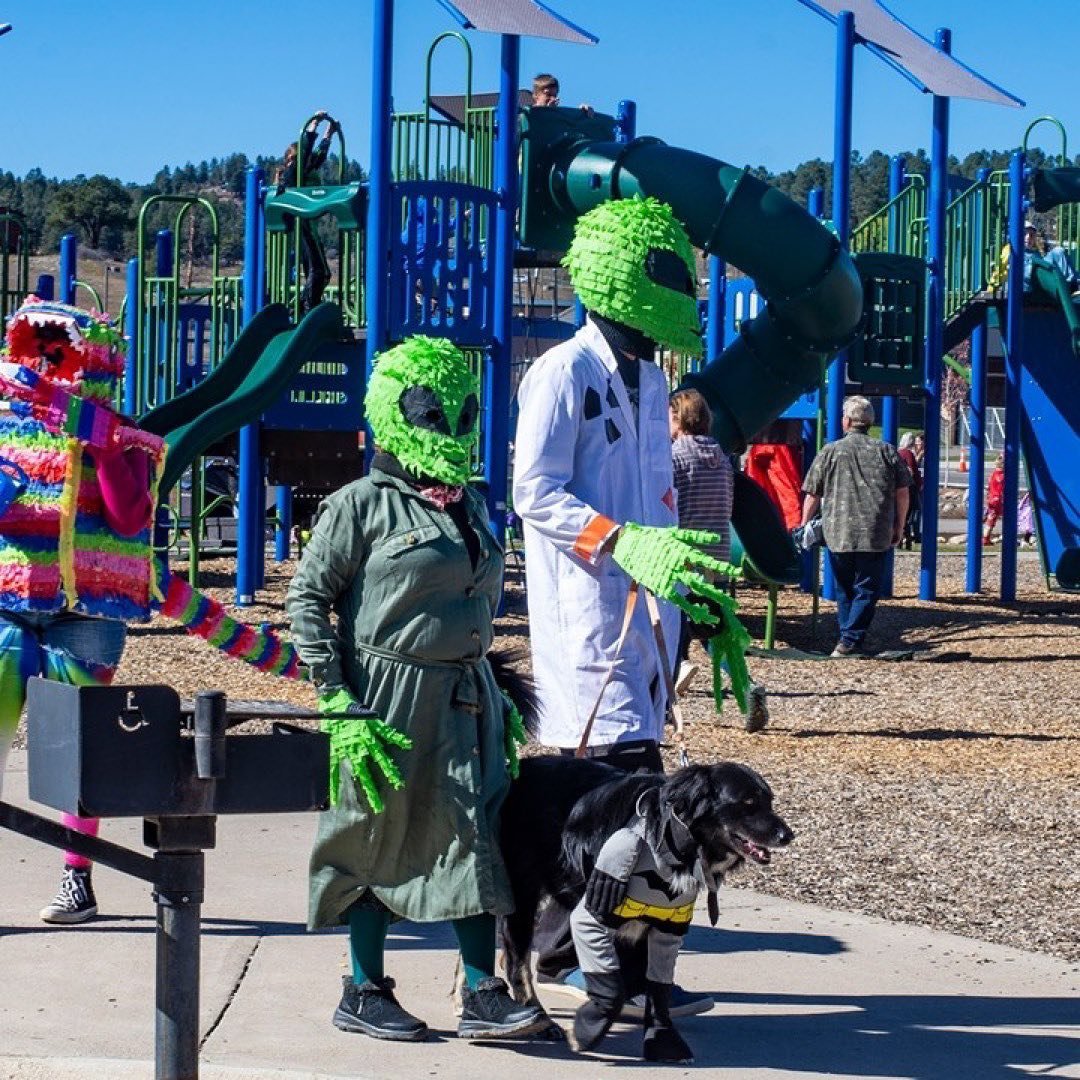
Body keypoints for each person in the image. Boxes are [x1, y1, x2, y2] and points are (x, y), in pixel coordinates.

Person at [514, 196, 746, 1020]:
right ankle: (585, 960)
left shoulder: (652, 383)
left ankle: (603, 961)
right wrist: (617, 540)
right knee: (613, 803)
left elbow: (661, 503)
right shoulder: (561, 372)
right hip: (589, 620)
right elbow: (532, 491)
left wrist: (694, 592)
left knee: (641, 799)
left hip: (647, 624)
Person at [285, 335, 546, 1043]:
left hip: (464, 698)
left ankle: (482, 989)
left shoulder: (473, 505)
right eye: (431, 411)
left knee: (472, 834)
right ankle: (363, 987)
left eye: (461, 412)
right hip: (385, 701)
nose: (449, 427)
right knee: (375, 837)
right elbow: (307, 599)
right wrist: (337, 701)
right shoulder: (359, 505)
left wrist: (499, 702)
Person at [0, 300, 162, 923]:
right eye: (37, 350)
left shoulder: (125, 436)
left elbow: (128, 517)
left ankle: (76, 876)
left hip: (87, 610)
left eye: (61, 351)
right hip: (10, 600)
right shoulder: (8, 424)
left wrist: (104, 448)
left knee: (79, 752)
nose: (47, 363)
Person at [669, 389, 768, 733]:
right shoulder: (722, 458)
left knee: (670, 625)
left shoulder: (676, 456)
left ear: (678, 419)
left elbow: (668, 505)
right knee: (715, 631)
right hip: (718, 555)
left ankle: (670, 689)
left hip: (684, 553)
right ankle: (746, 685)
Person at [800, 396, 911, 658]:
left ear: (846, 421)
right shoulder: (887, 451)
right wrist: (900, 524)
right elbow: (903, 492)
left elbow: (812, 493)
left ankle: (847, 637)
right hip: (875, 531)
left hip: (838, 530)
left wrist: (804, 524)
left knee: (844, 587)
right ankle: (850, 639)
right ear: (870, 422)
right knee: (867, 588)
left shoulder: (830, 451)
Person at [274, 111, 339, 313]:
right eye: (293, 158)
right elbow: (306, 152)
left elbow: (317, 157)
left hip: (308, 225)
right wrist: (314, 124)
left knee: (323, 272)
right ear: (289, 160)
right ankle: (306, 306)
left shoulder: (305, 170)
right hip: (300, 225)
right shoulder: (291, 174)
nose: (297, 161)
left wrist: (328, 134)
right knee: (317, 270)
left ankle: (306, 305)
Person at [897, 431, 923, 549]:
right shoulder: (908, 454)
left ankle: (900, 541)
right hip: (909, 489)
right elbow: (914, 471)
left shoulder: (897, 452)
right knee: (908, 516)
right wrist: (919, 485)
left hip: (897, 487)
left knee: (899, 515)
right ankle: (907, 542)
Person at [983, 452, 1005, 545]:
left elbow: (989, 487)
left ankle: (986, 538)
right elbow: (1002, 488)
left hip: (992, 498)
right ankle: (985, 539)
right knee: (992, 520)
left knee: (991, 519)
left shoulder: (992, 474)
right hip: (997, 499)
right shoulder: (1001, 476)